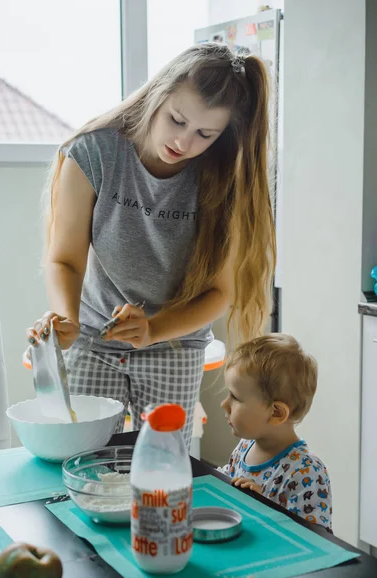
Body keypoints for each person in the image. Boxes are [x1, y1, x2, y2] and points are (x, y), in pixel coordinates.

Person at [25, 43, 276, 447]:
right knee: (80, 455)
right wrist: (66, 319)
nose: (184, 141)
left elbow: (219, 293)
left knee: (162, 464)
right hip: (93, 337)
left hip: (175, 344)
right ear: (158, 95)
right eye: (176, 120)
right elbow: (65, 259)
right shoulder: (94, 152)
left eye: (204, 134)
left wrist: (154, 329)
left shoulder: (224, 177)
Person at [219, 334, 332, 531]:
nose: (224, 404)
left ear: (276, 413)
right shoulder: (246, 446)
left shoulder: (306, 472)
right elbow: (227, 480)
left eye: (235, 397)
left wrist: (263, 508)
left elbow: (316, 540)